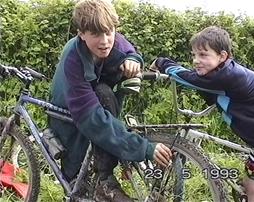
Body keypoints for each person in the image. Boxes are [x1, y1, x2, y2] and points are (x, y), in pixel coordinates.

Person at [49, 0, 172, 201]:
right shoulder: (73, 58)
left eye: (109, 32)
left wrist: (133, 59)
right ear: (81, 33)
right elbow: (93, 119)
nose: (105, 40)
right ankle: (100, 182)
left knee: (104, 96)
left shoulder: (112, 39)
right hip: (68, 109)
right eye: (96, 34)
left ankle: (103, 176)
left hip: (96, 100)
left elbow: (128, 49)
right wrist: (143, 148)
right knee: (75, 176)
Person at [151, 26, 254, 202]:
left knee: (252, 186)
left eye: (203, 55)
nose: (196, 60)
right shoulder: (229, 72)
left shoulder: (225, 76)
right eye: (194, 55)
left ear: (222, 56)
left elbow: (187, 78)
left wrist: (161, 63)